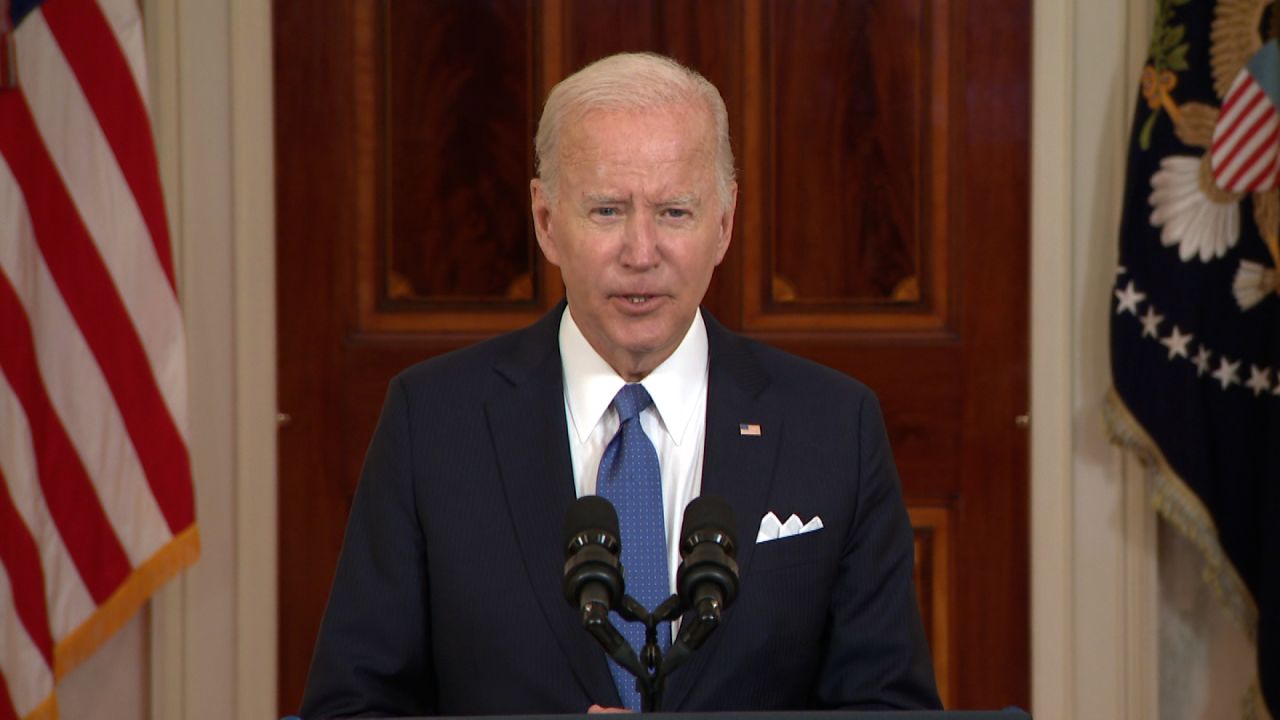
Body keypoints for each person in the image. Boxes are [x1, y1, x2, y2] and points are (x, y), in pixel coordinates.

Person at [300, 52, 940, 718]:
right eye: (607, 211)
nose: (640, 252)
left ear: (723, 223)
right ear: (546, 221)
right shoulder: (433, 422)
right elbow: (352, 706)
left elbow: (889, 706)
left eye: (674, 213)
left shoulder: (833, 425)